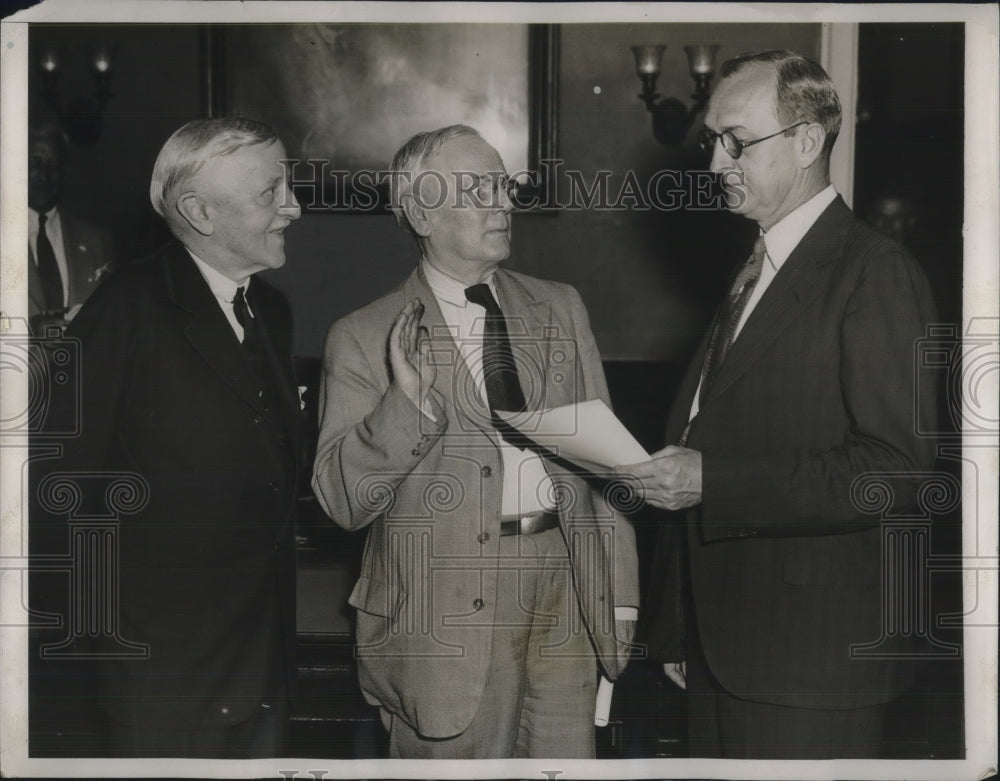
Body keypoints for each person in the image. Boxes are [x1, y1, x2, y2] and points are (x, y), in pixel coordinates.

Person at [617, 51, 938, 759]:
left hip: (810, 662)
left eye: (737, 141)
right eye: (712, 143)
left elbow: (897, 470)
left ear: (806, 141)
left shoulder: (874, 272)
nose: (713, 166)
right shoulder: (756, 267)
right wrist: (678, 627)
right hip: (723, 650)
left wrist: (713, 480)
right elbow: (711, 426)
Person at [312, 125, 638, 758]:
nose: (503, 202)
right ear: (421, 212)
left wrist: (619, 603)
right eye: (478, 188)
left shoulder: (560, 307)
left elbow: (608, 472)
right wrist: (404, 404)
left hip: (565, 584)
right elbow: (344, 502)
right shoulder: (363, 334)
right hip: (445, 612)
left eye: (502, 183)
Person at [48, 117, 303, 757]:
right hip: (165, 669)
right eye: (271, 192)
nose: (293, 208)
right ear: (199, 211)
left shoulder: (270, 311)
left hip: (261, 658)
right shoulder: (126, 309)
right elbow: (58, 491)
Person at [28, 116, 117, 333]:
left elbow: (116, 319)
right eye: (33, 164)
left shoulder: (97, 241)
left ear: (66, 170)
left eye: (54, 165)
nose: (45, 176)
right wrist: (27, 330)